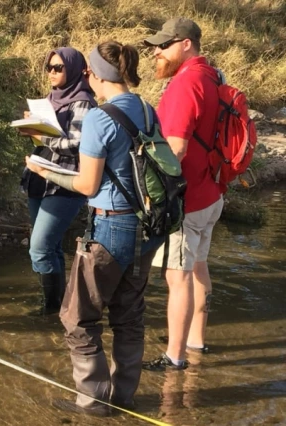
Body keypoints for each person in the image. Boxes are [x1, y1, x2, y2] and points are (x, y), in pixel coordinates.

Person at [25, 41, 163, 415]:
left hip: (110, 227)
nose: (86, 78)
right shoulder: (148, 110)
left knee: (78, 317)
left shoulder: (102, 118)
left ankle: (93, 403)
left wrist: (46, 170)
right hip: (147, 228)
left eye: (88, 72)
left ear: (99, 74)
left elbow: (87, 185)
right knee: (129, 316)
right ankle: (124, 397)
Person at [141, 18, 224, 371]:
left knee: (178, 276)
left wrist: (153, 198)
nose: (156, 52)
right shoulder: (213, 76)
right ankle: (195, 341)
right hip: (211, 193)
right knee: (198, 267)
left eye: (164, 45)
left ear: (186, 44)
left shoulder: (185, 83)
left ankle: (175, 357)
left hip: (186, 200)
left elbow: (173, 151)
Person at [19, 47, 96, 316]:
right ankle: (58, 306)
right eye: (49, 67)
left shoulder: (83, 101)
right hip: (40, 176)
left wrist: (41, 137)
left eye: (58, 68)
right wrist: (33, 127)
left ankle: (53, 308)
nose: (52, 72)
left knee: (39, 247)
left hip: (66, 181)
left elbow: (78, 144)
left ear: (74, 70)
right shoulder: (51, 99)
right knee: (46, 247)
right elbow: (50, 138)